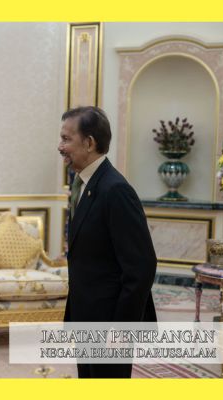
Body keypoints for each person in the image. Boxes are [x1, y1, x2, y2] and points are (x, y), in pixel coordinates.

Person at [57, 106, 157, 378]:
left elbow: (141, 268)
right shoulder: (83, 184)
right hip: (87, 317)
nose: (60, 146)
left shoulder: (115, 190)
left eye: (66, 139)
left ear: (89, 143)